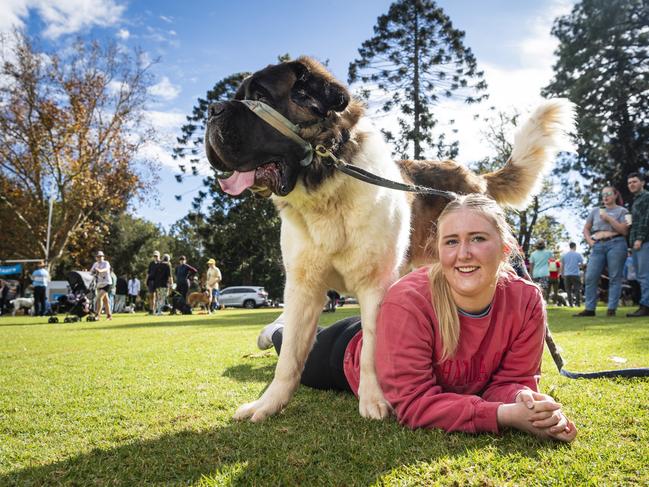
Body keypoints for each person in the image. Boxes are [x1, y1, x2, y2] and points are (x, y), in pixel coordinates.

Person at [257, 194, 577, 442]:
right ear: (438, 250)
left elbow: (510, 381)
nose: (463, 253)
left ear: (505, 249)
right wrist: (505, 415)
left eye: (478, 238)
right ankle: (278, 329)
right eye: (451, 241)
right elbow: (412, 403)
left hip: (393, 331)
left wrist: (527, 403)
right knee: (293, 347)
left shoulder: (527, 301)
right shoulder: (410, 298)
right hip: (348, 351)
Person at [575, 186, 629, 317]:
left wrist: (608, 218)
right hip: (598, 246)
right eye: (603, 194)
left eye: (609, 194)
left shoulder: (624, 211)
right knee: (590, 276)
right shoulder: (595, 211)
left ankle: (611, 309)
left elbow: (625, 230)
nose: (605, 197)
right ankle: (589, 309)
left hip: (617, 244)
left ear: (616, 195)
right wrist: (589, 241)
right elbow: (586, 229)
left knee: (615, 277)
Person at [626, 172, 649, 317]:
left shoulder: (646, 197)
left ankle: (646, 305)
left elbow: (647, 219)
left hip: (644, 241)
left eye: (634, 181)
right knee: (641, 275)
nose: (631, 185)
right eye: (629, 183)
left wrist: (640, 238)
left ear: (643, 183)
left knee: (644, 275)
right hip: (636, 242)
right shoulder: (636, 200)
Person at [90, 251, 112, 320]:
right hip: (99, 284)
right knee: (105, 300)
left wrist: (99, 270)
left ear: (103, 257)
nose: (99, 258)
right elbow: (91, 272)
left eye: (101, 256)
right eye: (98, 256)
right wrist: (90, 272)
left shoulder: (106, 263)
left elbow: (105, 269)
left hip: (107, 283)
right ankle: (109, 316)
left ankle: (97, 315)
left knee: (99, 298)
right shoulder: (95, 264)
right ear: (96, 258)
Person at [561, 242, 584, 307]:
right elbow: (582, 264)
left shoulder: (564, 255)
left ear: (569, 246)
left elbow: (562, 265)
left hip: (567, 274)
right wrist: (582, 271)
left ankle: (571, 304)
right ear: (575, 246)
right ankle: (577, 303)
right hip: (575, 274)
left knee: (568, 290)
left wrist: (562, 273)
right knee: (577, 289)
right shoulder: (578, 254)